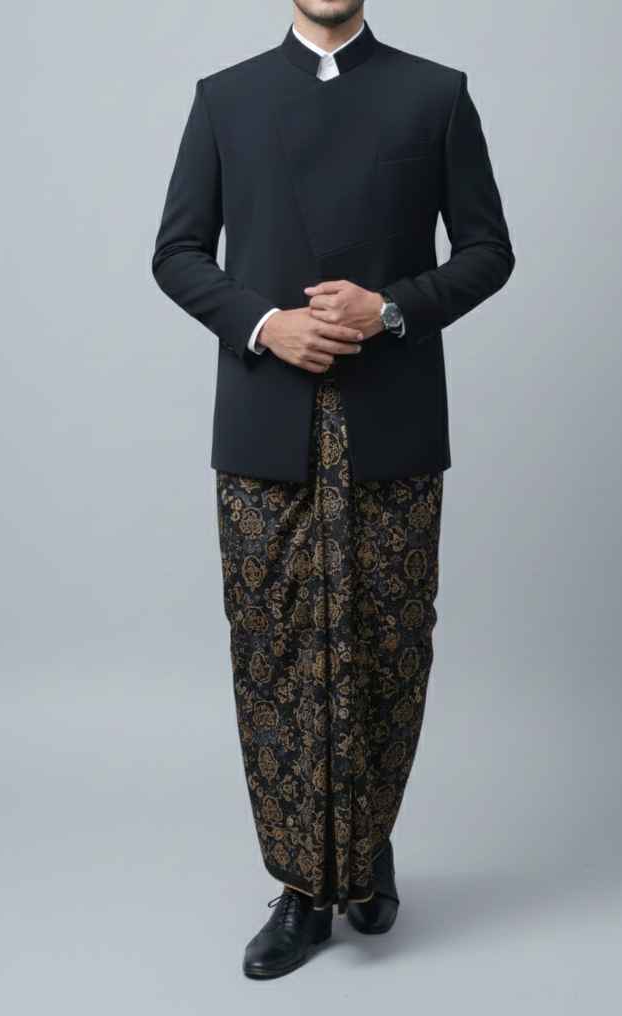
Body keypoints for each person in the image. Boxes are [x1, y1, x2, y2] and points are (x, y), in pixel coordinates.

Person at [151, 0, 514, 979]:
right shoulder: (225, 99)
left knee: (386, 651)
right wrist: (264, 324)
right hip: (265, 425)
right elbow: (177, 252)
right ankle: (304, 888)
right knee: (275, 655)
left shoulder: (435, 96)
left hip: (391, 424)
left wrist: (390, 307)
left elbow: (489, 251)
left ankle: (366, 846)